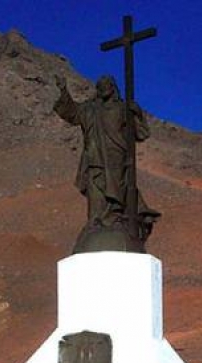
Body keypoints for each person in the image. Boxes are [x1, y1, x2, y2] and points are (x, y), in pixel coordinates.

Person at [53, 74, 160, 248]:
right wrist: (63, 91)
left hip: (116, 157)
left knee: (116, 188)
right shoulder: (90, 109)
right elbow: (71, 112)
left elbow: (141, 133)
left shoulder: (122, 109)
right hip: (94, 157)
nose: (103, 87)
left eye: (106, 84)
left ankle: (116, 218)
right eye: (100, 85)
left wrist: (137, 113)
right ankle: (96, 220)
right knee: (96, 188)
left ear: (113, 88)